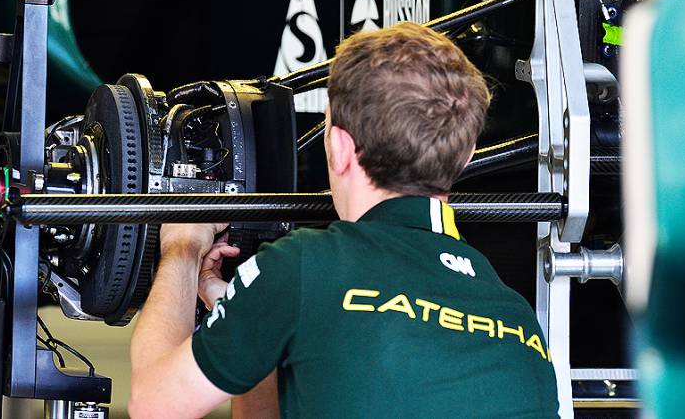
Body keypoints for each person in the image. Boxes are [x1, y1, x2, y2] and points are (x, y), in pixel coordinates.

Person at [128, 22, 559, 418]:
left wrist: (181, 249)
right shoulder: (514, 312)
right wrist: (246, 316)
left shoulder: (304, 266)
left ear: (337, 147)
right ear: (465, 158)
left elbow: (152, 404)